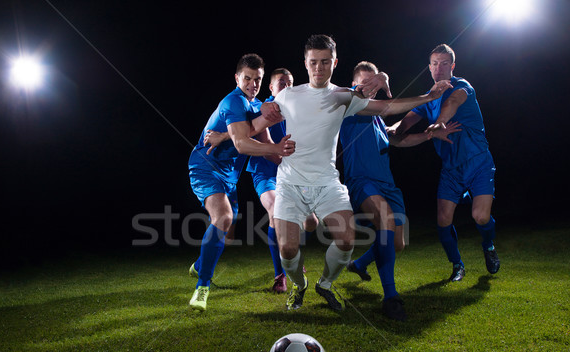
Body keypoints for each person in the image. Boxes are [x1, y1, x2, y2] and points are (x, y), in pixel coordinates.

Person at [257, 34, 453, 313]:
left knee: (355, 240)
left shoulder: (344, 98)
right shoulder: (290, 94)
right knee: (288, 248)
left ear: (334, 63)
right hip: (294, 182)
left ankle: (325, 284)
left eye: (325, 62)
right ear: (305, 62)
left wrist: (428, 96)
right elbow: (256, 120)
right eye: (313, 62)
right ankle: (300, 286)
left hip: (329, 182)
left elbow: (386, 107)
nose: (319, 68)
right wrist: (261, 106)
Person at [340, 61, 461, 321]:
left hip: (388, 184)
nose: (370, 87)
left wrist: (429, 136)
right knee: (383, 220)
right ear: (354, 84)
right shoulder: (348, 102)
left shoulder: (377, 121)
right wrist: (385, 77)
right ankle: (391, 298)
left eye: (374, 83)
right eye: (364, 83)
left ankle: (359, 264)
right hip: (362, 180)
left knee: (398, 243)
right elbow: (378, 101)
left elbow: (398, 139)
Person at [187, 53, 295, 311]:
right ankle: (203, 287)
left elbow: (260, 134)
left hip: (230, 177)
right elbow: (243, 142)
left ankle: (200, 265)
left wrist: (285, 157)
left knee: (225, 230)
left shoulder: (255, 104)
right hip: (206, 168)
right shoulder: (233, 101)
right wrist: (278, 148)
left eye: (257, 79)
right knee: (223, 218)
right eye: (247, 78)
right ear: (237, 78)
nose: (252, 84)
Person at [391, 44, 500, 282]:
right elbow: (401, 126)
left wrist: (440, 123)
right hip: (451, 169)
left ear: (452, 66)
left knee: (480, 217)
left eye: (443, 63)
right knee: (443, 220)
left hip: (478, 162)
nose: (438, 68)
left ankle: (489, 246)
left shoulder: (463, 87)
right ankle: (457, 265)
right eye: (434, 63)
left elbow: (452, 104)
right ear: (429, 68)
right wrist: (380, 128)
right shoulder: (427, 99)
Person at [205, 68, 319, 294]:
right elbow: (249, 130)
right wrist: (224, 136)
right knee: (276, 212)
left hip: (290, 173)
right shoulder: (266, 107)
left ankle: (290, 252)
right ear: (271, 87)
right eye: (281, 83)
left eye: (290, 83)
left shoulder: (297, 110)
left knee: (311, 223)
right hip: (266, 172)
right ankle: (280, 274)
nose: (287, 87)